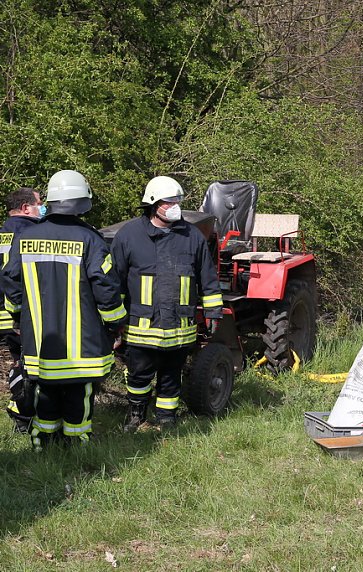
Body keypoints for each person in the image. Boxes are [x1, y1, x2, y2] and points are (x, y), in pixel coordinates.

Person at [1, 170, 127, 449]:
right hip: (81, 344)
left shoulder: (26, 238)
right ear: (82, 203)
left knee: (44, 391)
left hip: (40, 341)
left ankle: (42, 442)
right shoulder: (91, 239)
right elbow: (105, 287)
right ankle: (77, 445)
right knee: (78, 393)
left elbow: (9, 280)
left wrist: (19, 316)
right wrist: (115, 322)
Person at [111, 176, 222, 432]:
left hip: (179, 329)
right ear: (153, 203)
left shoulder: (191, 236)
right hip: (141, 329)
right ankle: (136, 415)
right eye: (169, 201)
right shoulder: (129, 235)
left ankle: (166, 419)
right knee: (138, 376)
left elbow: (207, 275)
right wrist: (113, 322)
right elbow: (113, 281)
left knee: (171, 377)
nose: (175, 206)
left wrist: (214, 311)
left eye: (178, 201)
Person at [0, 188, 45, 433]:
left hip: (4, 313)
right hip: (19, 314)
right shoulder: (30, 233)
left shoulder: (3, 231)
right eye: (40, 203)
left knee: (20, 364)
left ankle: (22, 412)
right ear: (27, 208)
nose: (43, 207)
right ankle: (22, 415)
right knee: (29, 369)